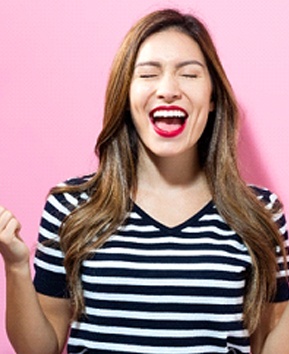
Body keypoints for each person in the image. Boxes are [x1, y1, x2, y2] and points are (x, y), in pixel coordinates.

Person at [0, 8, 289, 354]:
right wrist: (16, 265)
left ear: (212, 98)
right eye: (149, 74)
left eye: (190, 75)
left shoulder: (260, 213)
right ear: (126, 95)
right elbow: (39, 349)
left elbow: (271, 346)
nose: (168, 90)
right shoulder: (72, 206)